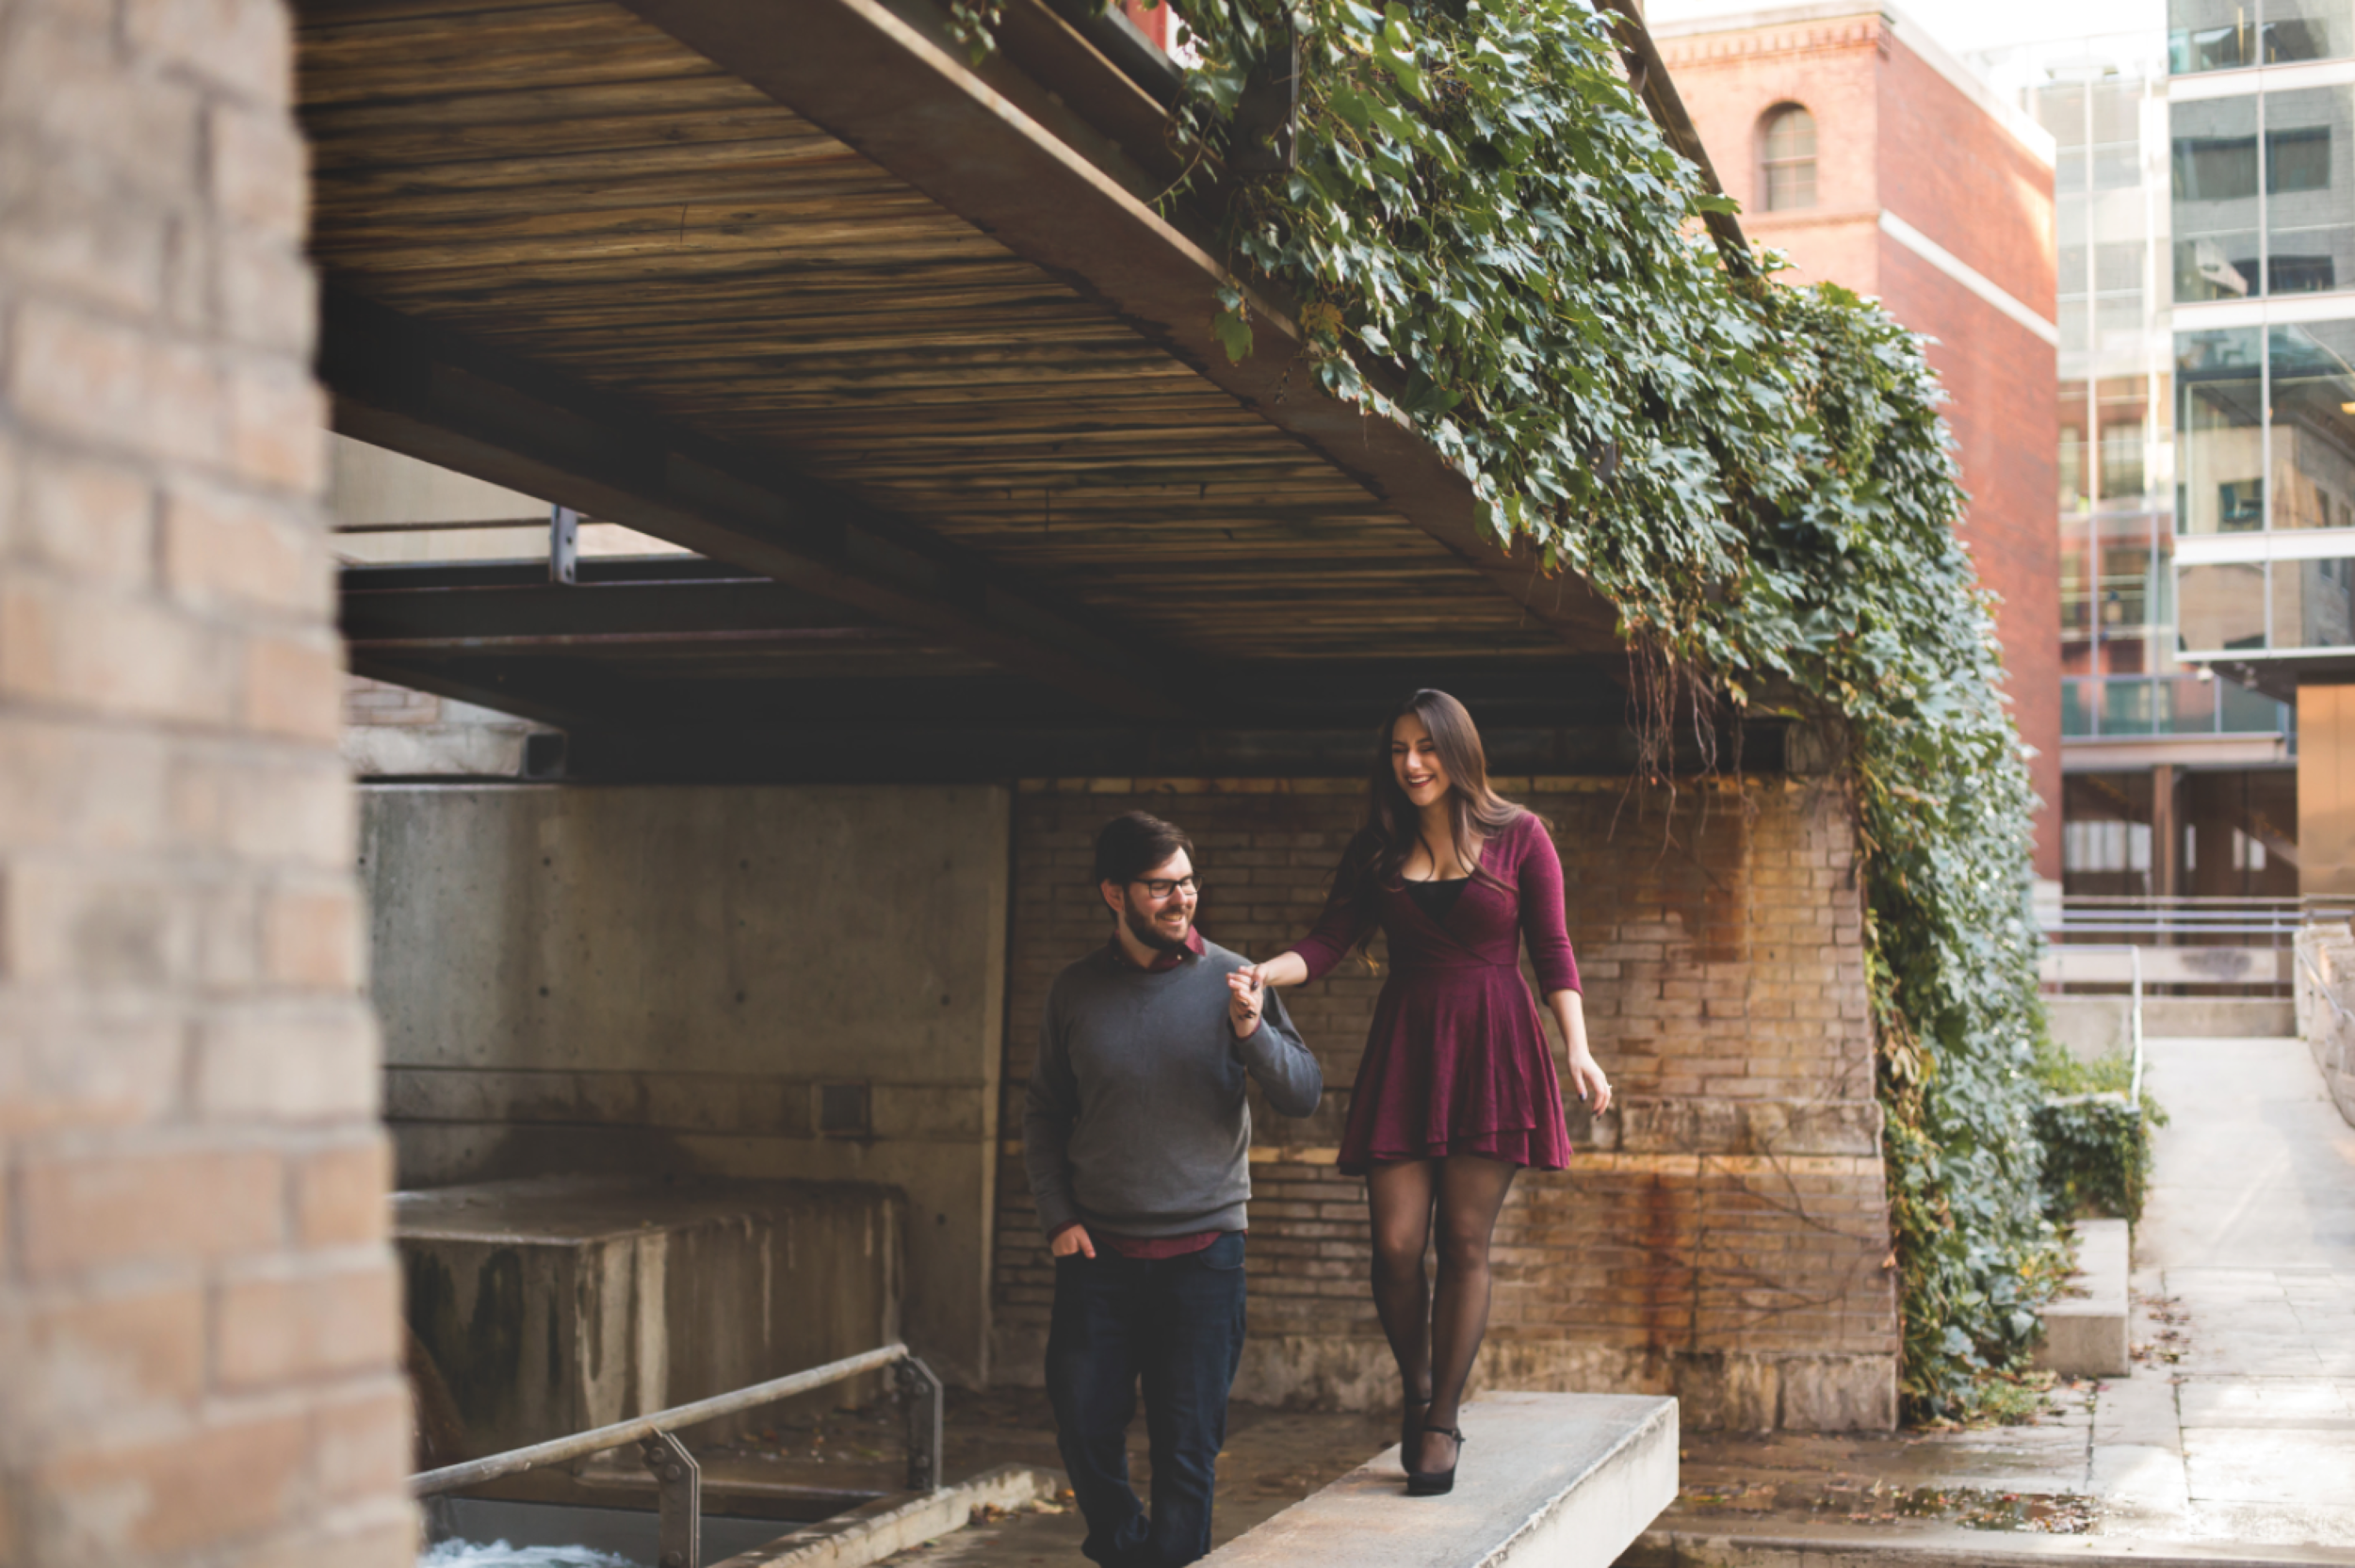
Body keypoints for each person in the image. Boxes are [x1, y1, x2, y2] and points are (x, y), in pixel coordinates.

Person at [1228, 689, 1611, 1495]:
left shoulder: (1522, 837)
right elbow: (1328, 942)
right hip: (1409, 1051)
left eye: (1426, 747)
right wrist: (1265, 971)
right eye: (1399, 748)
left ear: (1458, 751)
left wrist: (1578, 1048)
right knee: (1396, 1247)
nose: (1411, 763)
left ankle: (1441, 1421)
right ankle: (1419, 1386)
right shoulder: (1376, 850)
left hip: (1496, 1052)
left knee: (1465, 1243)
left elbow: (1552, 947)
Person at [1027, 811, 1323, 1568]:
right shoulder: (1074, 992)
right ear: (1114, 893)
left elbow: (1304, 1093)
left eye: (1188, 882)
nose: (1181, 899)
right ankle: (1129, 1552)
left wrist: (1253, 1031)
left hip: (1204, 1258)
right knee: (1085, 1428)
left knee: (1187, 1448)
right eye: (1160, 886)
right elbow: (1045, 1112)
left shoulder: (1237, 976)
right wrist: (1059, 1216)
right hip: (1098, 1255)